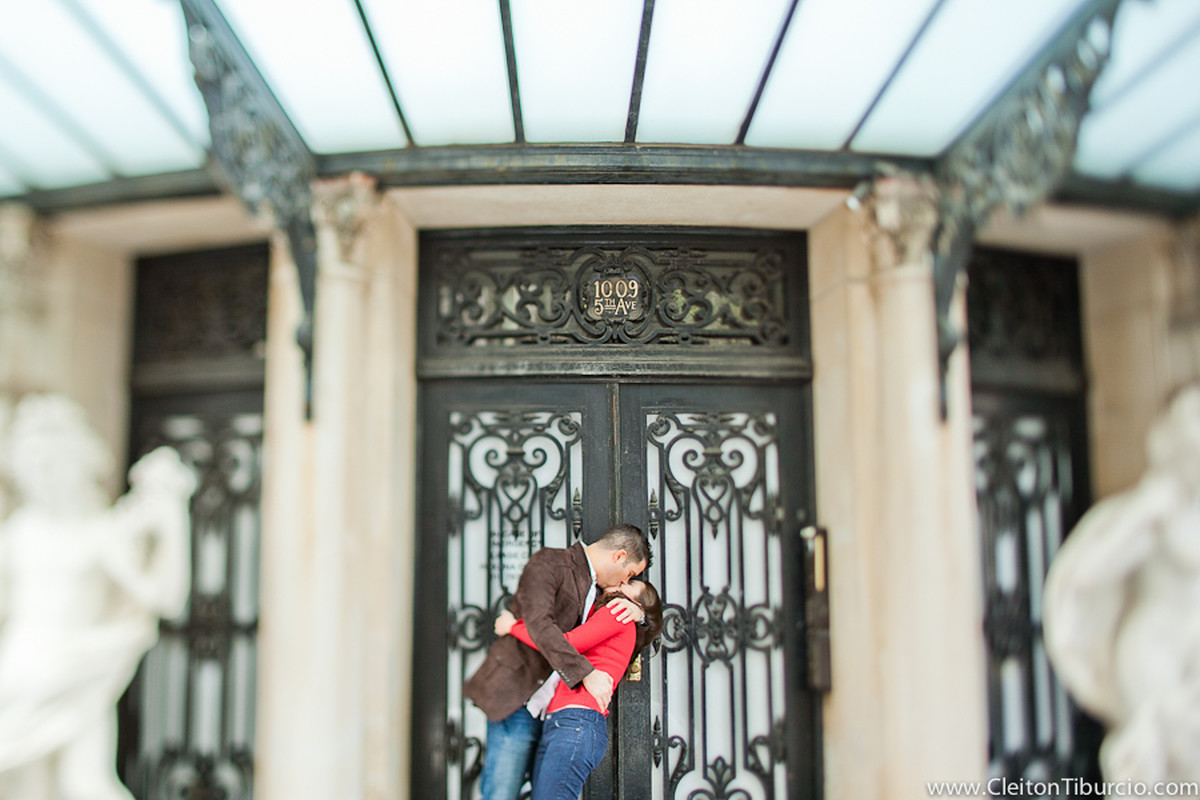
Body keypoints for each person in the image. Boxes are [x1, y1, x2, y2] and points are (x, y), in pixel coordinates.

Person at [0, 394, 195, 798]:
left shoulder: (100, 532)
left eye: (50, 463)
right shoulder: (18, 532)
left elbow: (166, 599)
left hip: (77, 671)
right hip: (18, 677)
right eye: (31, 464)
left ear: (75, 462)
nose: (41, 475)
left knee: (86, 783)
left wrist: (173, 521)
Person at [464, 523, 651, 800]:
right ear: (619, 556)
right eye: (631, 574)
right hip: (519, 703)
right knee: (500, 794)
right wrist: (585, 673)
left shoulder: (607, 595)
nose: (625, 582)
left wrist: (640, 613)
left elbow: (614, 635)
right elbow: (541, 626)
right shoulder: (549, 562)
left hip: (558, 715)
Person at [495, 578, 663, 800]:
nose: (622, 581)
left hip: (574, 722)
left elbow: (566, 644)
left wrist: (513, 627)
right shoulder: (608, 614)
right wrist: (643, 617)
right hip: (564, 722)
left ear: (636, 604)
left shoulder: (617, 614)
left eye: (629, 584)